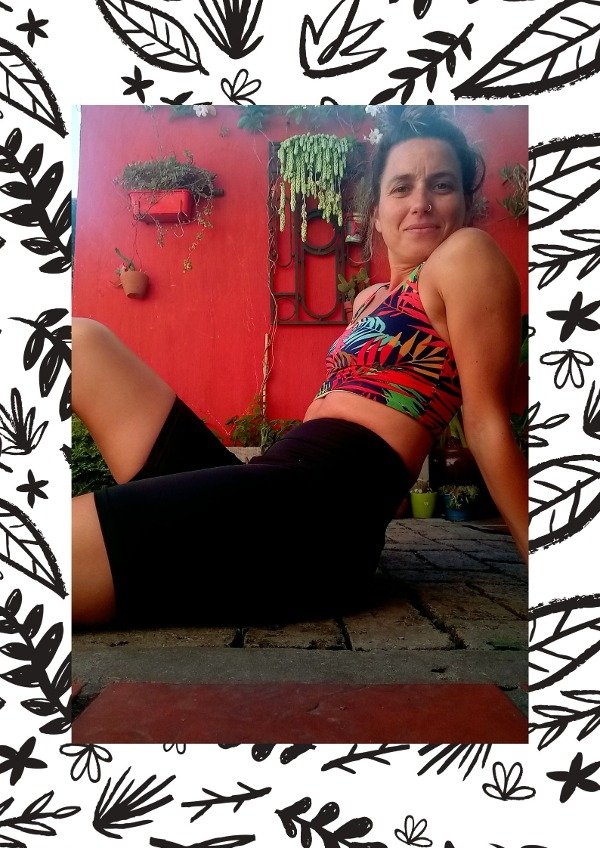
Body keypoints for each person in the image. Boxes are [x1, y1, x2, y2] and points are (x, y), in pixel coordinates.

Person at [72, 106, 527, 629]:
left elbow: (487, 421)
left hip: (316, 521)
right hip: (272, 490)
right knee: (81, 343)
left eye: (442, 185)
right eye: (401, 187)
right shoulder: (375, 298)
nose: (420, 202)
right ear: (377, 213)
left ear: (466, 202)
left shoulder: (467, 254)